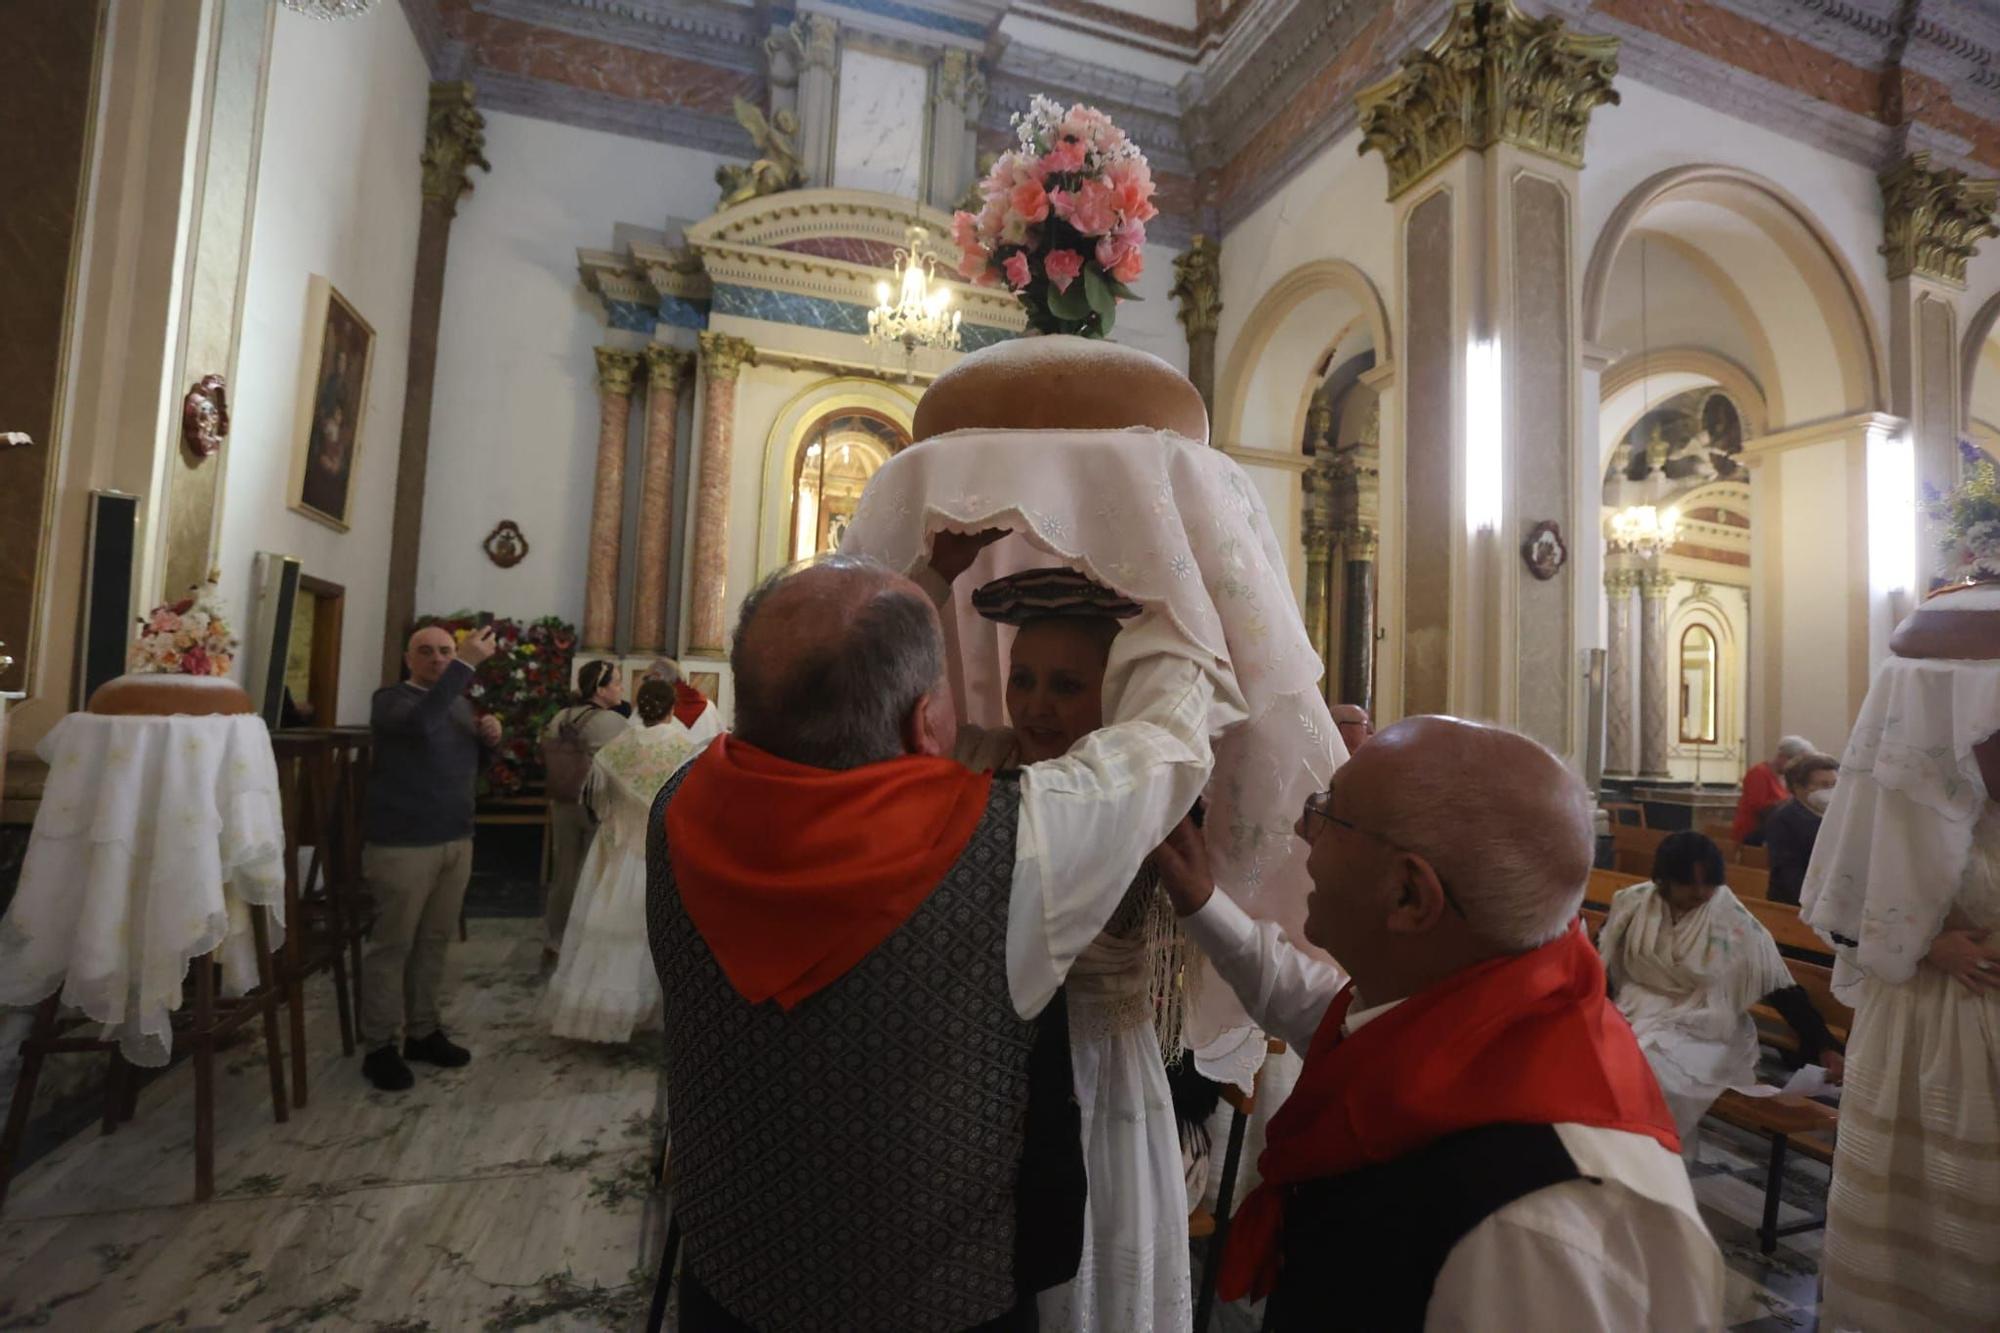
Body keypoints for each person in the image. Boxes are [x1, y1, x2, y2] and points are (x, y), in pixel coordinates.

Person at [648, 545, 1235, 1332]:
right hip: (938, 1306)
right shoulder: (1010, 849)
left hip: (731, 1289)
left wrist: (925, 574)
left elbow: (832, 676)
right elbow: (1162, 746)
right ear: (927, 721)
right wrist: (1185, 603)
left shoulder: (677, 809)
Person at [1153, 716, 1723, 1330]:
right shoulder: (1480, 1010)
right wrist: (1203, 901)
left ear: (1408, 897)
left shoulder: (1537, 1227)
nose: (1302, 828)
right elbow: (1315, 1008)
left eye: (1330, 813)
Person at [951, 564, 1192, 1333]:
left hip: (1096, 1073)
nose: (1036, 706)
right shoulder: (984, 760)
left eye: (1064, 685)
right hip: (993, 1073)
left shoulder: (1135, 800)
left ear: (1114, 694)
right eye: (1023, 680)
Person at [1804, 583, 2000, 1331]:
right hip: (1927, 1027)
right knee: (1930, 1215)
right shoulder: (1904, 796)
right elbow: (1855, 897)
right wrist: (1924, 943)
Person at [1598, 830, 1841, 1152]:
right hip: (1634, 1006)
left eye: (1709, 883)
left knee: (1649, 1071)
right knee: (1600, 1056)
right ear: (1663, 880)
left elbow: (1780, 988)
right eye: (1688, 883)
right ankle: (1609, 1155)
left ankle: (1650, 1158)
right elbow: (1601, 962)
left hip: (1706, 1024)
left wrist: (1824, 1044)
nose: (1700, 892)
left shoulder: (1734, 923)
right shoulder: (1632, 905)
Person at [358, 624, 501, 1092]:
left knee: (434, 942)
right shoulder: (392, 701)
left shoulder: (457, 702)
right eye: (427, 652)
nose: (438, 659)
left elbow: (465, 767)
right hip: (403, 845)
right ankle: (380, 1045)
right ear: (408, 658)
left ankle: (422, 1032)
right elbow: (420, 727)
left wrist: (489, 742)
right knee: (392, 945)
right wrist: (465, 665)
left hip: (455, 840)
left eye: (446, 652)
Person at [546, 680, 704, 1043]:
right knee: (650, 934)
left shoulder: (617, 749)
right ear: (671, 708)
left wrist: (616, 821)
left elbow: (599, 799)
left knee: (609, 930)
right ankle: (651, 1015)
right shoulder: (684, 750)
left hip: (616, 852)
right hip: (659, 853)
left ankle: (603, 1014)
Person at [540, 660, 629, 960]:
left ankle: (555, 938)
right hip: (596, 803)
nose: (621, 688)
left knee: (563, 870)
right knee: (595, 871)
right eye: (616, 682)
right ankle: (586, 940)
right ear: (601, 689)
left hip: (562, 800)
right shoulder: (611, 722)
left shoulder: (561, 716)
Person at [1762, 751, 1837, 906]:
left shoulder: (1837, 813)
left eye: (1834, 784)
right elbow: (1788, 873)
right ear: (1798, 787)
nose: (1831, 791)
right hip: (1796, 904)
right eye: (1824, 785)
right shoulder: (1783, 819)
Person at [1732, 734, 1812, 844]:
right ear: (1783, 757)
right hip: (1754, 834)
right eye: (1797, 763)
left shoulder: (1785, 778)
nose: (1798, 767)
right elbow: (1759, 808)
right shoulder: (1759, 773)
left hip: (1775, 830)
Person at [643, 656, 722, 746]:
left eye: (646, 679)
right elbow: (720, 739)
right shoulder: (709, 706)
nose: (644, 684)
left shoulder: (653, 706)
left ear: (657, 676)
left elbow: (633, 738)